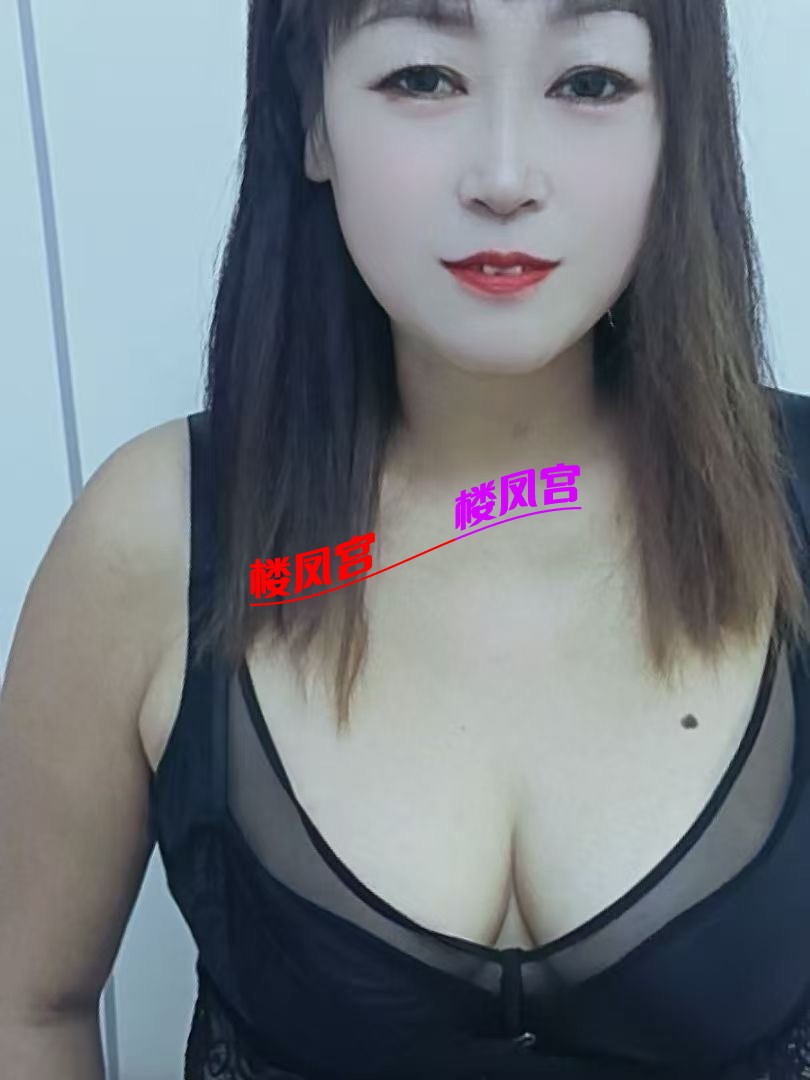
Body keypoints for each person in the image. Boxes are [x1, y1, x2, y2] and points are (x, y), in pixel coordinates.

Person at [2, 0, 810, 1077]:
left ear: (681, 122)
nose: (506, 177)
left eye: (589, 83)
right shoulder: (151, 540)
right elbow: (29, 1005)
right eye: (424, 78)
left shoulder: (795, 507)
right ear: (312, 119)